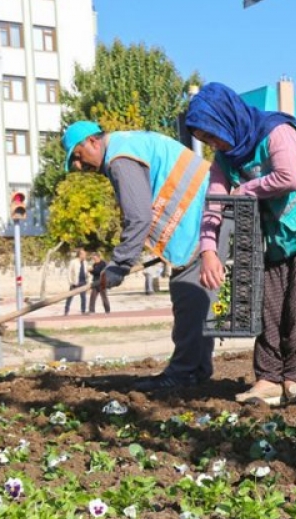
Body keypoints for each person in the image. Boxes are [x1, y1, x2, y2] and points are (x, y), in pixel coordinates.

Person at [186, 81, 296, 407]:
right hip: (278, 235)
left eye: (213, 133)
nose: (212, 142)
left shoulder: (276, 131)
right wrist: (208, 250)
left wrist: (243, 192)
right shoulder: (225, 158)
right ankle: (269, 380)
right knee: (270, 308)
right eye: (205, 139)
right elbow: (214, 203)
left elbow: (291, 177)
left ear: (226, 118)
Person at [62, 120, 219, 391]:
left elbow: (138, 218)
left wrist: (118, 267)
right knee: (196, 298)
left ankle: (183, 373)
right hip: (206, 211)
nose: (79, 166)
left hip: (198, 217)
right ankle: (196, 369)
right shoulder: (128, 143)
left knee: (187, 294)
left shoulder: (119, 159)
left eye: (77, 156)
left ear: (93, 141)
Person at [63, 248, 89, 315]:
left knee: (83, 298)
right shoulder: (73, 262)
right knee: (70, 297)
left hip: (83, 282)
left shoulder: (85, 262)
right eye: (84, 254)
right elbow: (68, 272)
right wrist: (70, 282)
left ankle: (83, 311)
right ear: (80, 255)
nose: (85, 256)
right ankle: (66, 311)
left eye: (85, 254)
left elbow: (86, 272)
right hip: (75, 283)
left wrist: (88, 281)